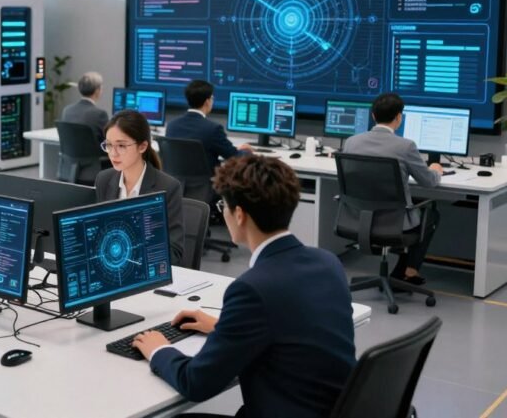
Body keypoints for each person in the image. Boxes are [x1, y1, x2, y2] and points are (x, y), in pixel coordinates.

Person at [133, 155, 356, 418]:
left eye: (223, 206)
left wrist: (159, 349)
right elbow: (292, 325)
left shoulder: (252, 289)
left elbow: (196, 383)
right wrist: (223, 326)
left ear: (239, 215)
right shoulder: (328, 262)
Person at [342, 92, 443, 285]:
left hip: (358, 219)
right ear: (399, 117)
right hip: (394, 224)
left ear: (373, 116)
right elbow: (429, 182)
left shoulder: (352, 142)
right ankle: (410, 271)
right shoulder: (405, 146)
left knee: (410, 205)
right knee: (431, 213)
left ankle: (404, 271)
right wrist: (436, 170)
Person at [95, 110, 185, 265]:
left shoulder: (168, 187)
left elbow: (174, 251)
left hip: (146, 268)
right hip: (112, 266)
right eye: (109, 145)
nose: (113, 153)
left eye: (121, 146)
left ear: (142, 146)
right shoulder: (104, 179)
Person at [165, 79, 252, 169]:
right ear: (207, 101)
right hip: (207, 178)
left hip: (175, 177)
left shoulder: (171, 126)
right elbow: (234, 156)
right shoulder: (213, 129)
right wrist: (246, 151)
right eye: (212, 98)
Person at [61, 71, 108, 144]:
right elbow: (108, 140)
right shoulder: (100, 114)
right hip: (93, 151)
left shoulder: (67, 110)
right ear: (97, 91)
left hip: (71, 152)